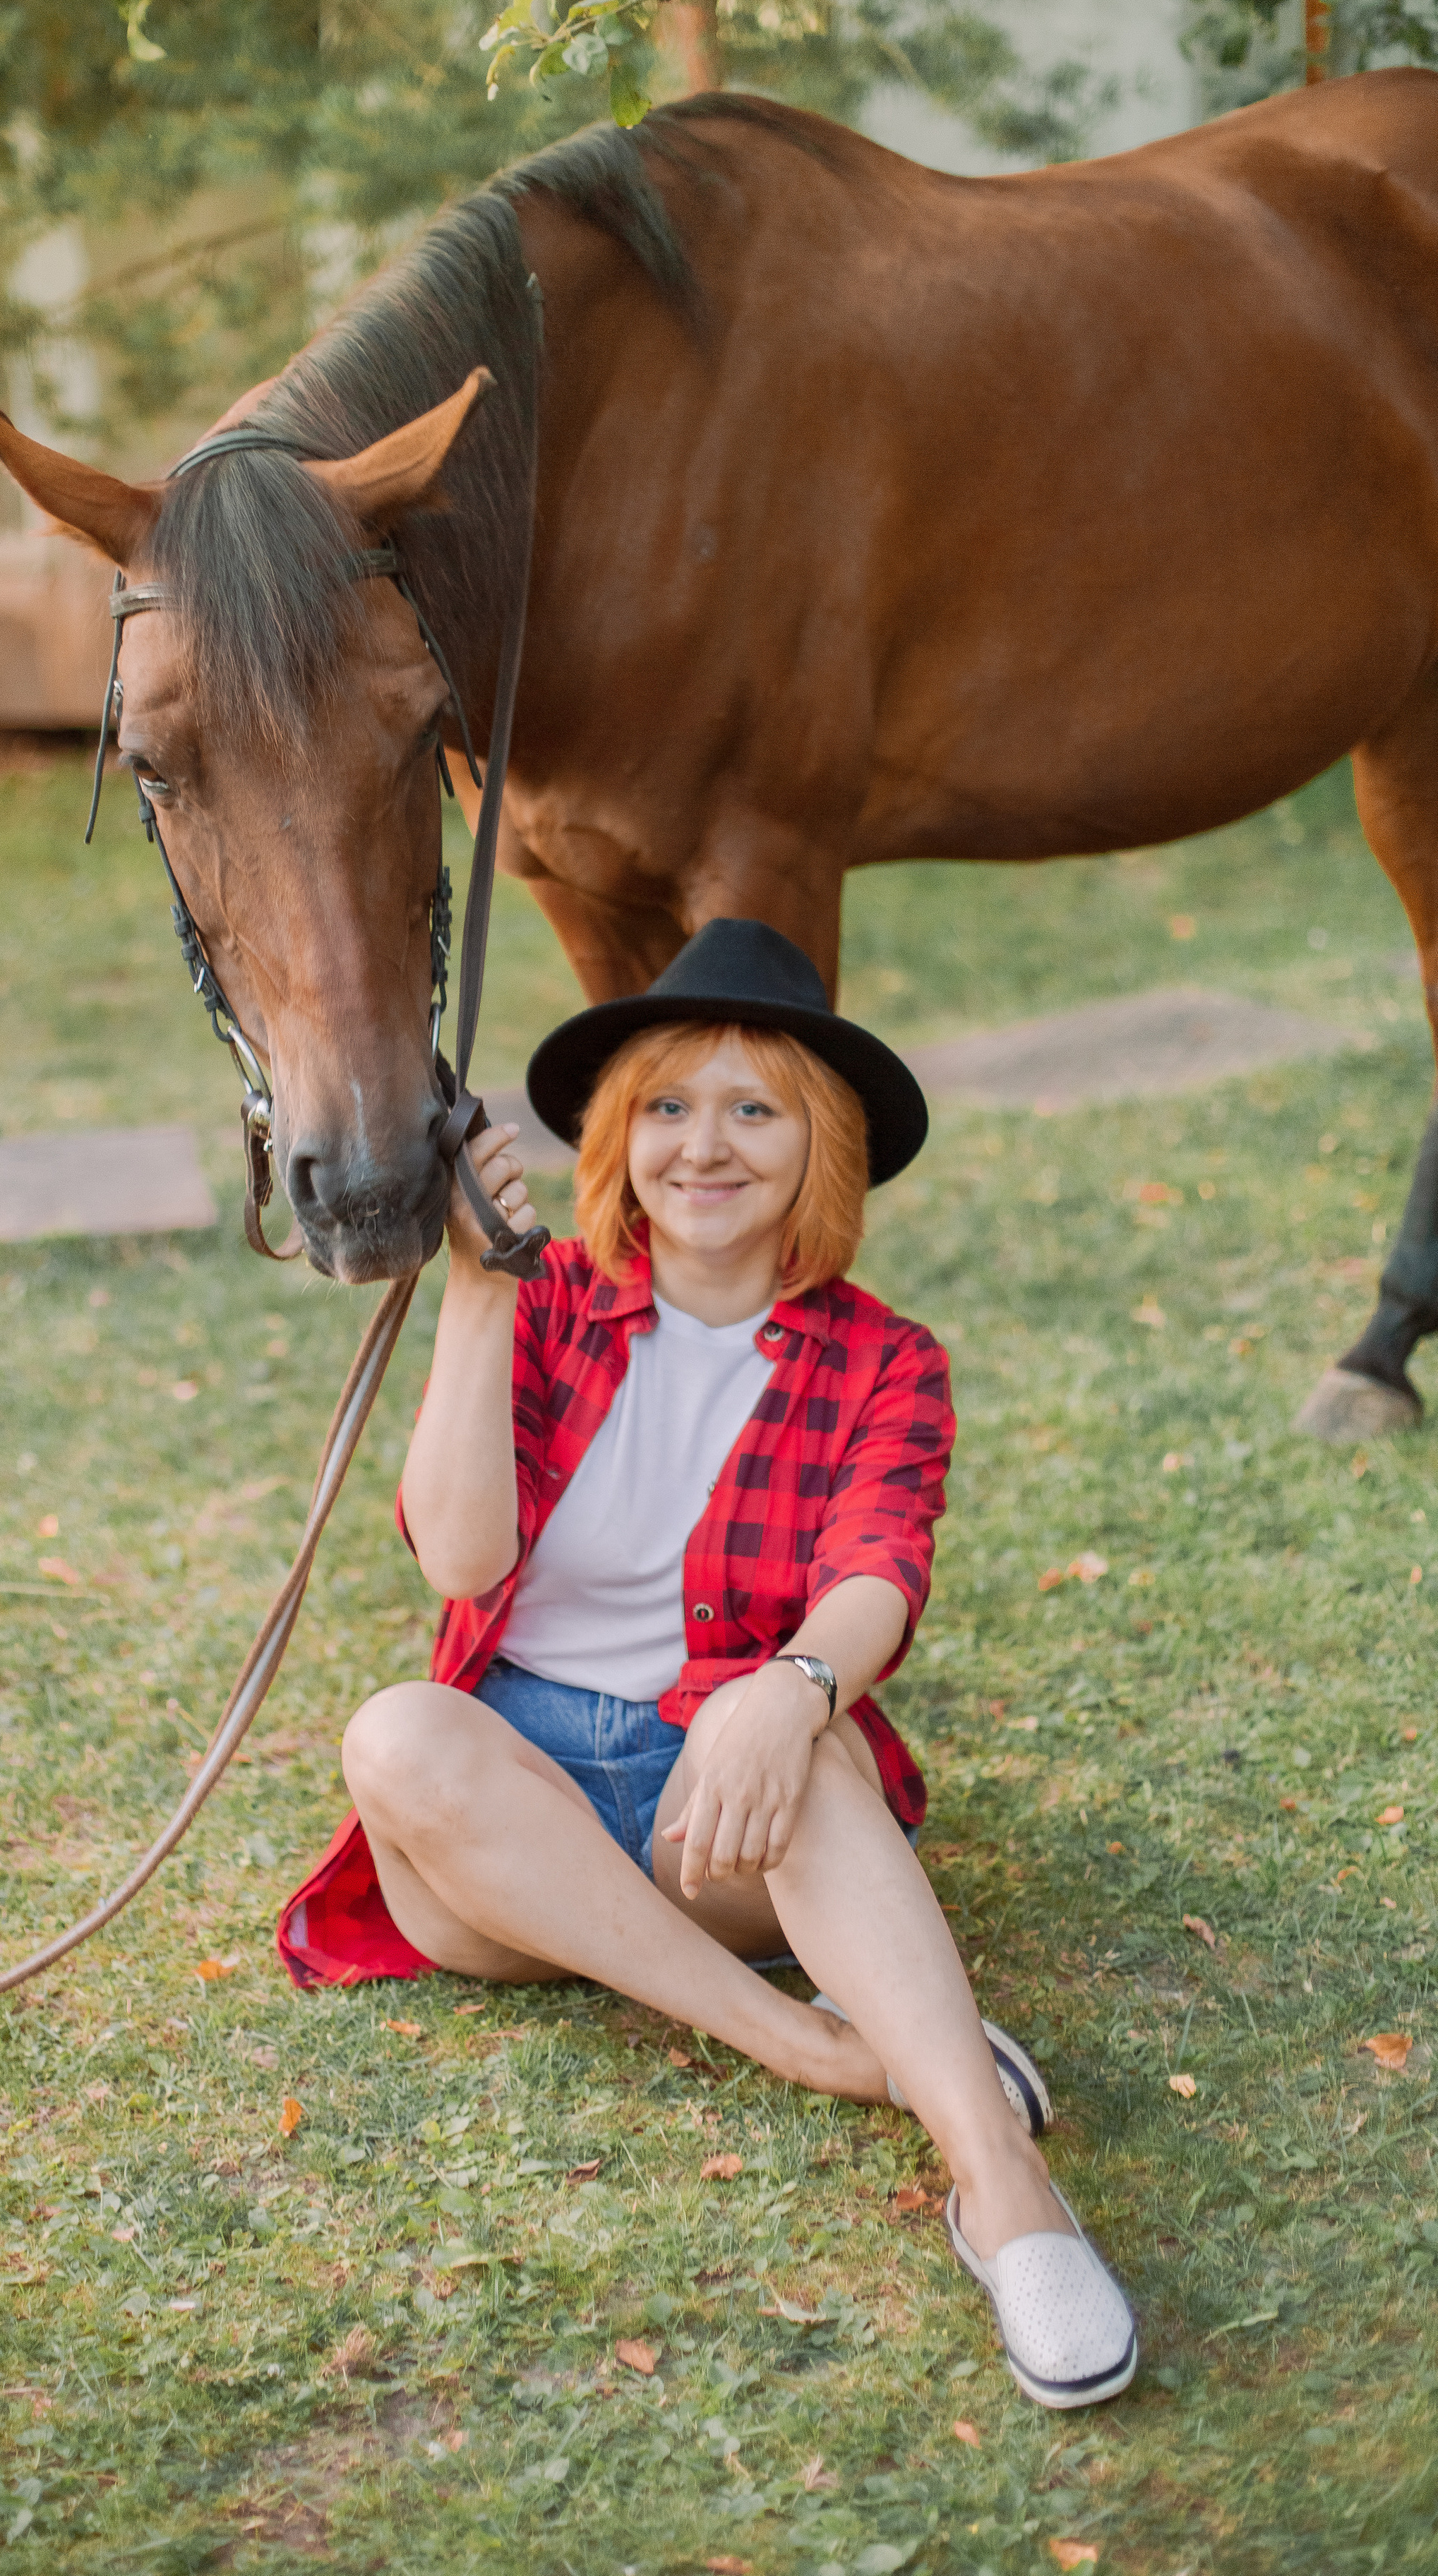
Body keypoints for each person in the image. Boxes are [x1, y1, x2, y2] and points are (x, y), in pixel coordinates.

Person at [277, 920, 1137, 2410]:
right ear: (621, 1135)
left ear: (820, 1149)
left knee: (810, 1750)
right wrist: (479, 1295)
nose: (705, 1145)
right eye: (668, 1104)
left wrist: (787, 1689)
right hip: (508, 1843)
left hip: (717, 1817)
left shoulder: (884, 1359)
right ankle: (823, 2046)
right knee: (397, 1735)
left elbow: (877, 1573)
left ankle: (1003, 2189)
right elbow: (460, 1562)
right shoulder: (545, 1300)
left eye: (755, 1109)